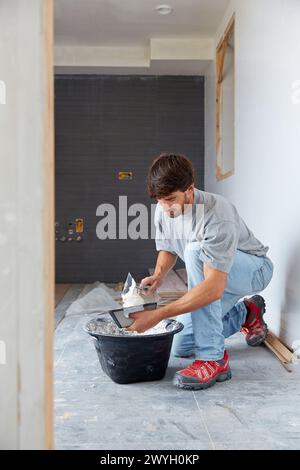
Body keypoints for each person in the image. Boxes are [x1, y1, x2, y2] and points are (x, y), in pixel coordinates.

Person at [127, 153, 274, 390]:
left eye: (170, 199)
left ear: (190, 189)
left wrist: (157, 315)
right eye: (160, 201)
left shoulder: (217, 214)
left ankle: (212, 359)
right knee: (180, 344)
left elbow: (213, 289)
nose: (165, 207)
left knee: (195, 251)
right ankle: (247, 312)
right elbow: (168, 247)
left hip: (254, 269)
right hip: (216, 274)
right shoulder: (164, 208)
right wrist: (159, 275)